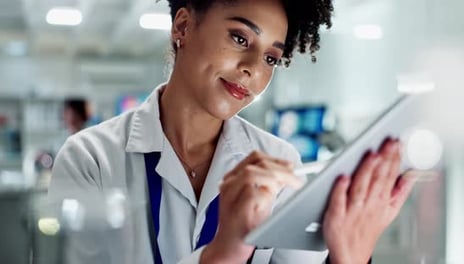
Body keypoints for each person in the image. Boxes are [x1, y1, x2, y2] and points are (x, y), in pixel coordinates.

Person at [49, 0, 417, 263]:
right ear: (183, 27)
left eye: (271, 57)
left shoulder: (280, 162)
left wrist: (351, 253)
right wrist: (224, 254)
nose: (253, 70)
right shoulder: (91, 158)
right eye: (240, 39)